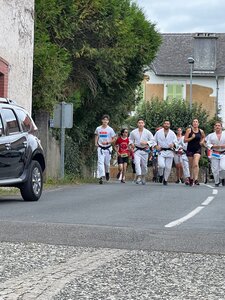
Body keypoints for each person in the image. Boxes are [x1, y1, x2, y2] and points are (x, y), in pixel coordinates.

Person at [129, 118, 155, 185]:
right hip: (136, 150)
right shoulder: (133, 132)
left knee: (144, 165)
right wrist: (131, 144)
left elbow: (153, 140)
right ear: (137, 124)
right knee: (137, 163)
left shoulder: (147, 132)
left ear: (144, 124)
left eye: (142, 123)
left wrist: (146, 143)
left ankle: (143, 176)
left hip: (144, 150)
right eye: (139, 123)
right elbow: (130, 139)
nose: (140, 124)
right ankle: (139, 176)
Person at [154, 120, 177, 185]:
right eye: (165, 123)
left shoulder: (172, 133)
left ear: (169, 125)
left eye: (168, 124)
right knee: (161, 165)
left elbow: (176, 142)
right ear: (163, 124)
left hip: (170, 151)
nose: (166, 125)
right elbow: (153, 140)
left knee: (168, 167)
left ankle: (165, 180)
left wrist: (174, 144)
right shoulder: (158, 132)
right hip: (161, 151)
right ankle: (161, 175)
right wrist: (156, 146)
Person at [95, 114, 116, 184]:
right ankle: (101, 177)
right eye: (104, 120)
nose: (105, 121)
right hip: (100, 148)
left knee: (106, 164)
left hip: (108, 148)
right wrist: (96, 143)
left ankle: (107, 172)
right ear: (102, 120)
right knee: (100, 162)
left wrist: (108, 142)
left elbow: (114, 139)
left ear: (108, 121)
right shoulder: (98, 128)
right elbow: (97, 136)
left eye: (106, 120)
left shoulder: (110, 129)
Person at [184, 118, 205, 186]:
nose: (195, 123)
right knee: (191, 165)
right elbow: (185, 140)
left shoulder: (201, 131)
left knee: (195, 164)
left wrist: (202, 141)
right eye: (194, 122)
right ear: (192, 123)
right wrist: (192, 138)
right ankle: (191, 178)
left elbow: (203, 137)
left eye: (196, 122)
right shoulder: (189, 130)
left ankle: (196, 179)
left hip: (197, 149)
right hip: (190, 149)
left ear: (198, 124)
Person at [206, 121, 225, 187]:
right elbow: (207, 144)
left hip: (223, 153)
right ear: (214, 127)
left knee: (223, 168)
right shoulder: (211, 135)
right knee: (215, 169)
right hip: (214, 153)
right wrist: (213, 146)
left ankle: (222, 178)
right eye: (216, 125)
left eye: (219, 125)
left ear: (221, 127)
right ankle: (217, 182)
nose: (217, 127)